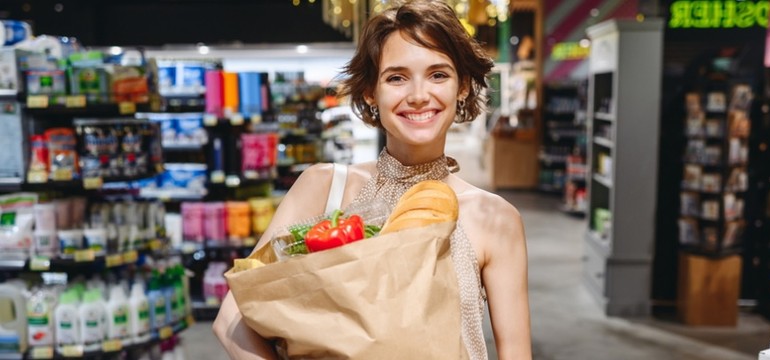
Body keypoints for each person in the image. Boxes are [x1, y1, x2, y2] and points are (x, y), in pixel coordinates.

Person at [212, 1, 531, 359]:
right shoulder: (324, 188)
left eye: (438, 74)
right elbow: (231, 320)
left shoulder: (496, 219)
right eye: (396, 77)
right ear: (370, 92)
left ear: (462, 87)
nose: (418, 95)